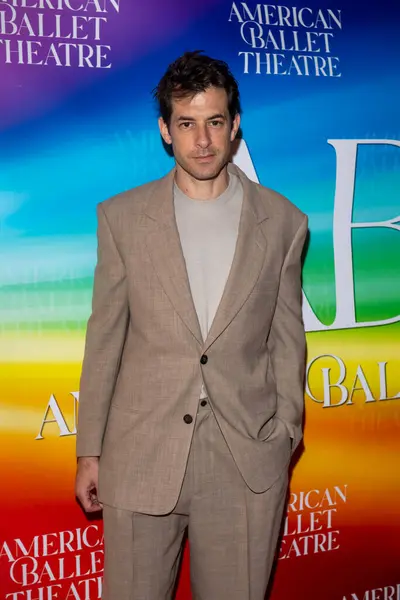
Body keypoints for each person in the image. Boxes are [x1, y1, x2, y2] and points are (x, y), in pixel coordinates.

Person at [75, 50, 308, 600]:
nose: (202, 140)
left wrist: (285, 436)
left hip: (245, 461)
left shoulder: (284, 223)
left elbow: (287, 342)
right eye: (186, 123)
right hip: (140, 456)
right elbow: (104, 340)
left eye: (215, 121)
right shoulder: (122, 219)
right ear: (165, 130)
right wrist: (90, 452)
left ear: (235, 127)